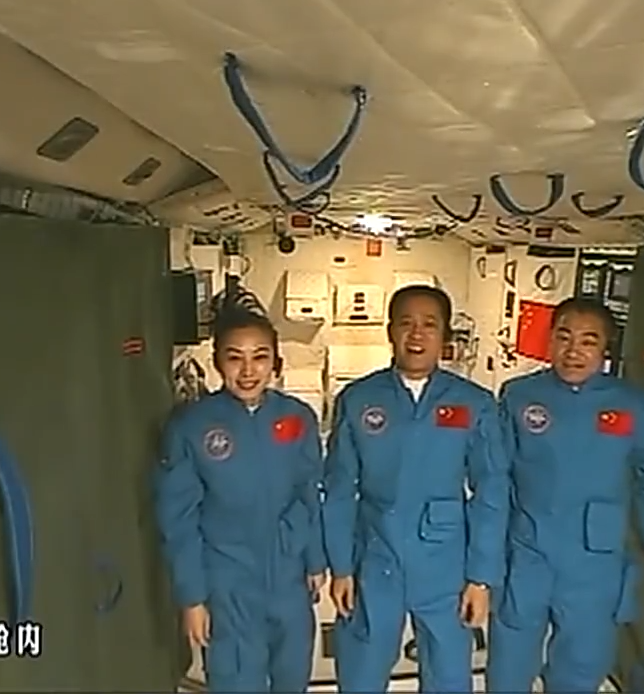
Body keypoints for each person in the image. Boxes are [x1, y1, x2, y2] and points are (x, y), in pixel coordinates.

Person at [485, 297, 644, 694]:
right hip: (527, 549)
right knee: (510, 658)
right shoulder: (520, 395)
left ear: (605, 349)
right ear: (550, 340)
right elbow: (496, 475)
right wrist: (487, 552)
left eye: (588, 341)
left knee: (582, 661)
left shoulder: (634, 405)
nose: (573, 351)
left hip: (594, 557)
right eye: (564, 337)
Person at [322, 285, 511, 694]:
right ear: (390, 331)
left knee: (449, 676)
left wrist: (481, 578)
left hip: (447, 566)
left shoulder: (473, 403)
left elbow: (491, 493)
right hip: (376, 559)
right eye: (406, 323)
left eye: (429, 325)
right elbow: (338, 489)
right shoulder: (359, 399)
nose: (417, 334)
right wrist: (341, 567)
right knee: (361, 674)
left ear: (445, 336)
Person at [154, 308, 327, 693]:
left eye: (260, 356)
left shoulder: (297, 418)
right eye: (235, 357)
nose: (248, 370)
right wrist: (192, 598)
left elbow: (310, 491)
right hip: (228, 582)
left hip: (289, 579)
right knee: (235, 681)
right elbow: (178, 521)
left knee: (292, 676)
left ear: (275, 361)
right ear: (217, 362)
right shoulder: (192, 426)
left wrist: (315, 560)